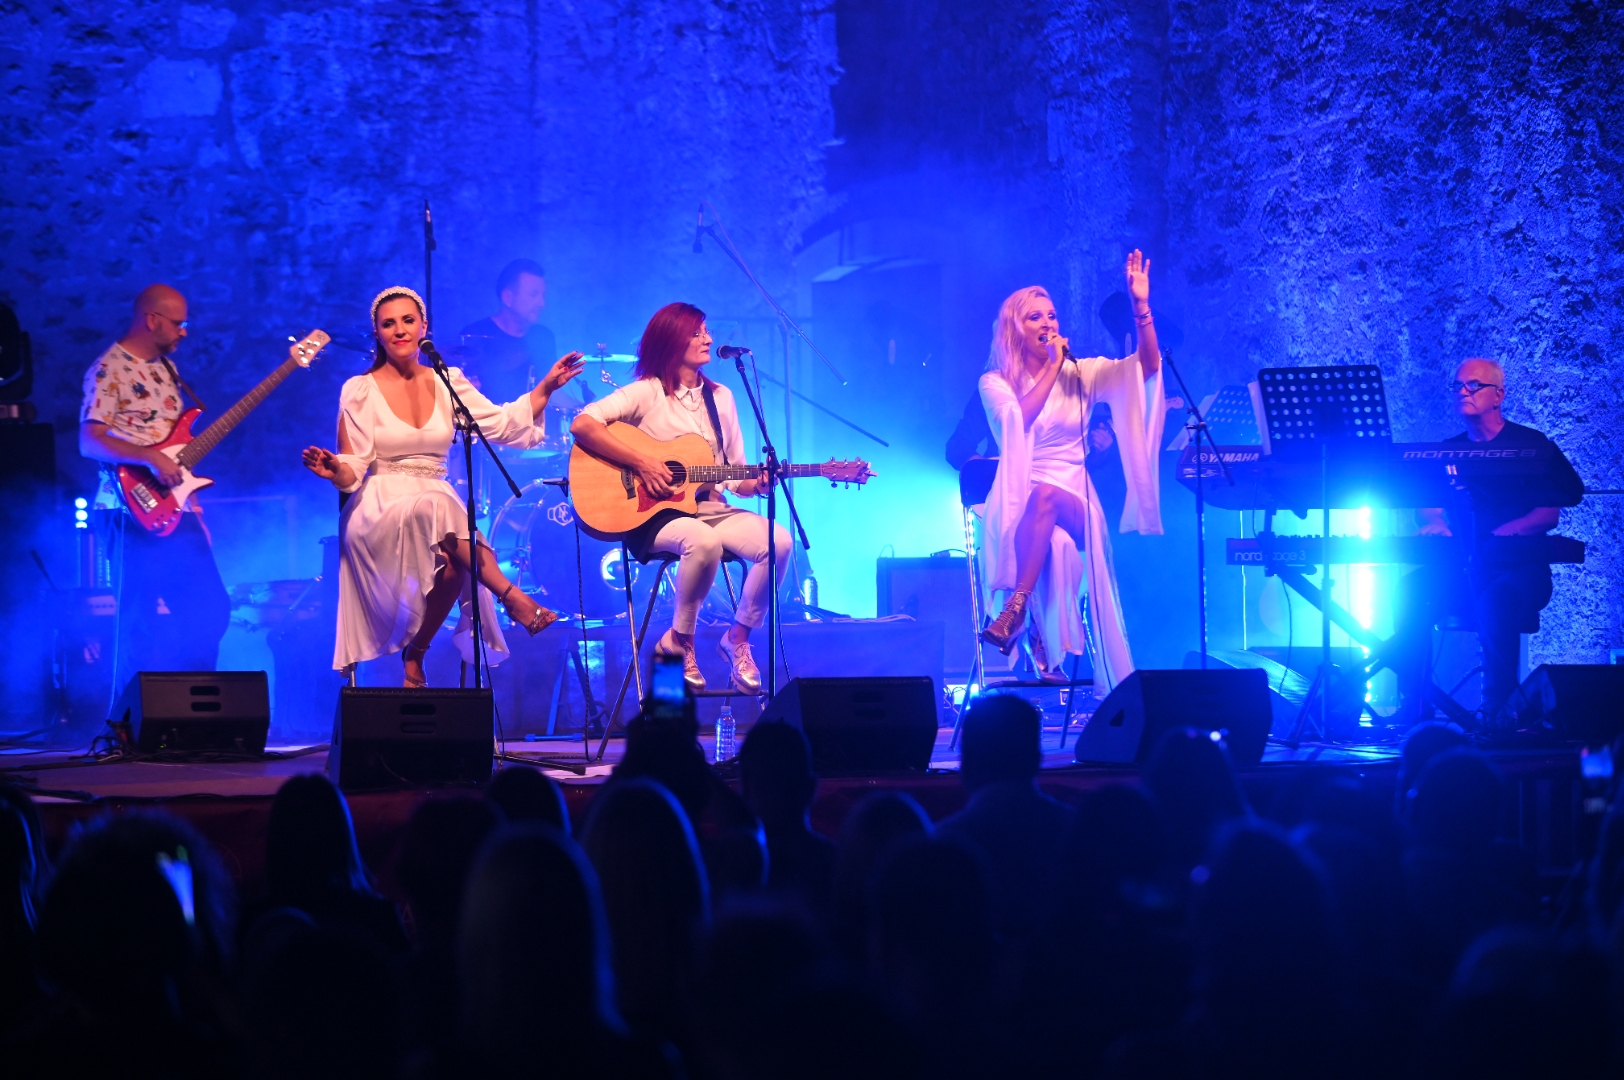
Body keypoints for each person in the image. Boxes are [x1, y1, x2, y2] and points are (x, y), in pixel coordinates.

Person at [301, 286, 584, 687]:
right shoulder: (359, 389)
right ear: (378, 333)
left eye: (408, 320)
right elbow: (353, 469)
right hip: (378, 506)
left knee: (451, 556)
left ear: (424, 327)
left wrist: (547, 387)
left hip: (434, 501)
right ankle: (513, 597)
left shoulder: (448, 382)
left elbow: (502, 424)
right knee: (442, 506)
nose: (399, 330)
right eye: (388, 324)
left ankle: (415, 654)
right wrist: (335, 470)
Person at [570, 302, 792, 693]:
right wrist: (643, 462)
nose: (707, 338)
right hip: (652, 515)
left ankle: (736, 638)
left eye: (706, 331)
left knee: (778, 541)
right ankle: (680, 642)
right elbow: (583, 423)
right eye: (696, 333)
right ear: (672, 341)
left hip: (709, 507)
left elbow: (735, 473)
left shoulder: (721, 396)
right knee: (702, 541)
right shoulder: (647, 392)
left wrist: (756, 484)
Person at [977, 252, 1166, 685]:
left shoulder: (1083, 373)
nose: (1047, 323)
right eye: (1035, 317)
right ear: (1015, 330)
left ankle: (1015, 612)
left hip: (1076, 498)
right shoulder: (995, 382)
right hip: (1018, 495)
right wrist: (1053, 367)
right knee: (1050, 536)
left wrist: (1141, 307)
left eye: (1052, 315)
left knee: (1047, 498)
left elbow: (1148, 368)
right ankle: (1038, 629)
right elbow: (1017, 422)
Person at [1391, 358, 1584, 725]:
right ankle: (1415, 703)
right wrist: (1436, 523)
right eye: (1458, 385)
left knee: (1497, 600)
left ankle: (1497, 713)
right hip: (1464, 570)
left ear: (1498, 395)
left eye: (1474, 385)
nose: (1463, 391)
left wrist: (1506, 532)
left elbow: (1549, 513)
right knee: (1410, 589)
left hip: (1520, 571)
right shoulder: (1447, 450)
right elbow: (1427, 506)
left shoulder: (1530, 445)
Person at [78, 284, 234, 701]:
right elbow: (89, 441)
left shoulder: (168, 370)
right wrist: (148, 457)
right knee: (137, 621)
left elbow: (176, 452)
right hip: (125, 511)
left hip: (178, 511)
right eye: (178, 322)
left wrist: (195, 510)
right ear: (152, 320)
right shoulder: (108, 369)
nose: (184, 331)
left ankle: (192, 707)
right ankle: (127, 722)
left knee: (209, 609)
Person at [455, 258, 569, 407]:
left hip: (535, 421)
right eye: (533, 295)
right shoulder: (474, 335)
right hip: (489, 420)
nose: (541, 303)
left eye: (543, 295)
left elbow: (554, 394)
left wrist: (586, 410)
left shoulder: (543, 337)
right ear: (508, 298)